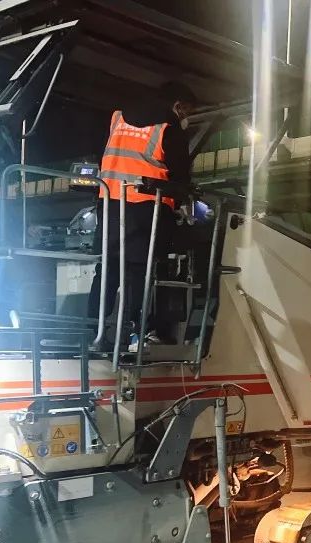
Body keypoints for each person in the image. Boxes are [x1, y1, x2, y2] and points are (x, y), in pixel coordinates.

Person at [88, 81, 196, 349]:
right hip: (147, 210)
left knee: (107, 271)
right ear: (177, 105)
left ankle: (90, 334)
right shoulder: (168, 128)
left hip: (110, 205)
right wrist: (183, 201)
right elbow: (180, 177)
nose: (186, 117)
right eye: (187, 111)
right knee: (138, 274)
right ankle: (130, 337)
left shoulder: (118, 118)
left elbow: (103, 158)